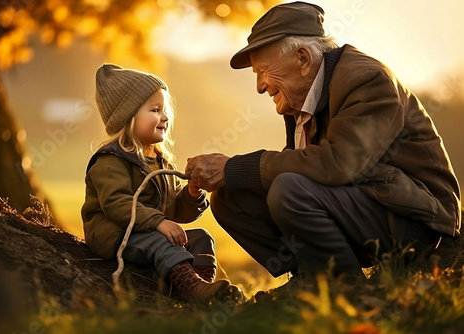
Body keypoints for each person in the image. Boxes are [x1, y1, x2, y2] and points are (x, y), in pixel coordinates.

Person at [186, 2, 461, 279]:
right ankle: (309, 275)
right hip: (365, 203)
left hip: (417, 219)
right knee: (230, 196)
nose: (260, 86)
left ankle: (343, 284)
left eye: (263, 71)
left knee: (287, 188)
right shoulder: (301, 99)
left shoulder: (365, 78)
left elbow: (337, 164)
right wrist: (233, 175)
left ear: (303, 59)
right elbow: (304, 166)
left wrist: (235, 167)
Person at [82, 64, 242, 302]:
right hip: (116, 234)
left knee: (199, 236)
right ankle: (193, 289)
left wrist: (190, 195)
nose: (165, 117)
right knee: (160, 240)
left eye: (165, 109)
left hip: (147, 229)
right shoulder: (111, 160)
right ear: (127, 117)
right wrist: (159, 223)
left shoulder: (160, 161)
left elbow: (173, 210)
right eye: (155, 110)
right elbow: (116, 204)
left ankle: (201, 286)